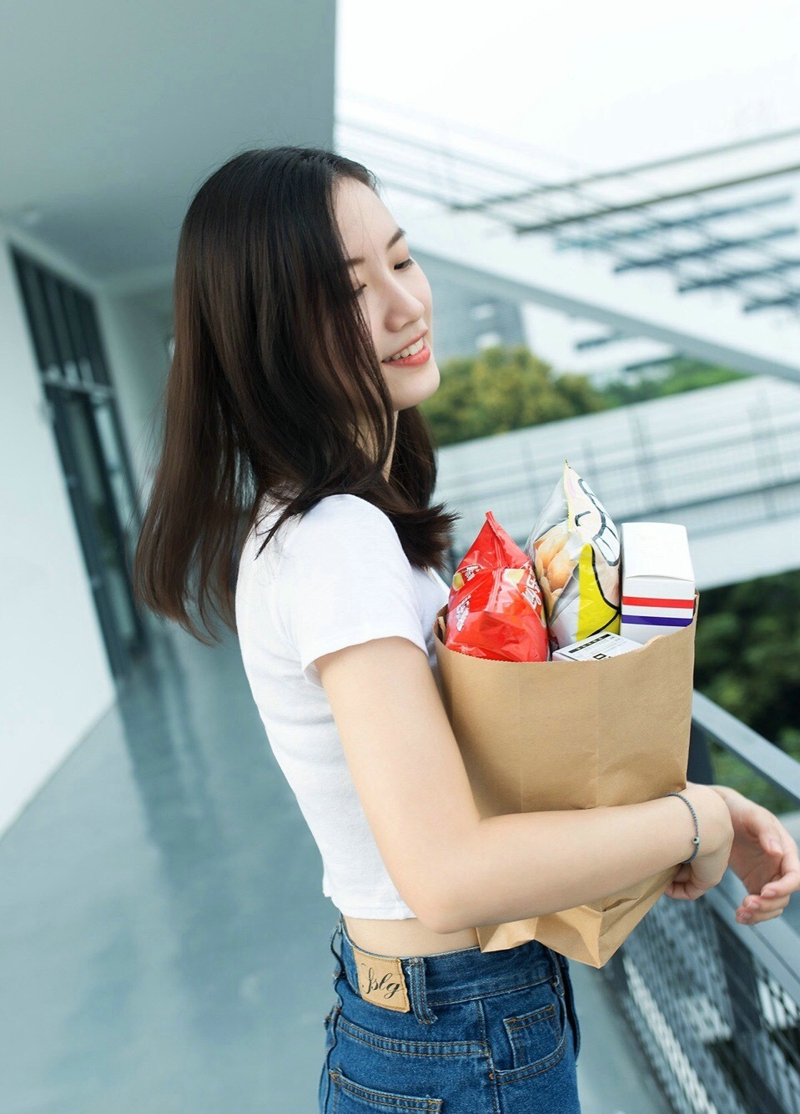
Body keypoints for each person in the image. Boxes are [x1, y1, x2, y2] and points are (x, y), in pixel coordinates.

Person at [133, 146, 800, 1114]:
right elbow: (446, 873)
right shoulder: (336, 539)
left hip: (438, 1023)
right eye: (345, 290)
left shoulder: (319, 521)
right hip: (459, 1033)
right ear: (266, 334)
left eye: (401, 261)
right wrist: (702, 815)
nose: (404, 307)